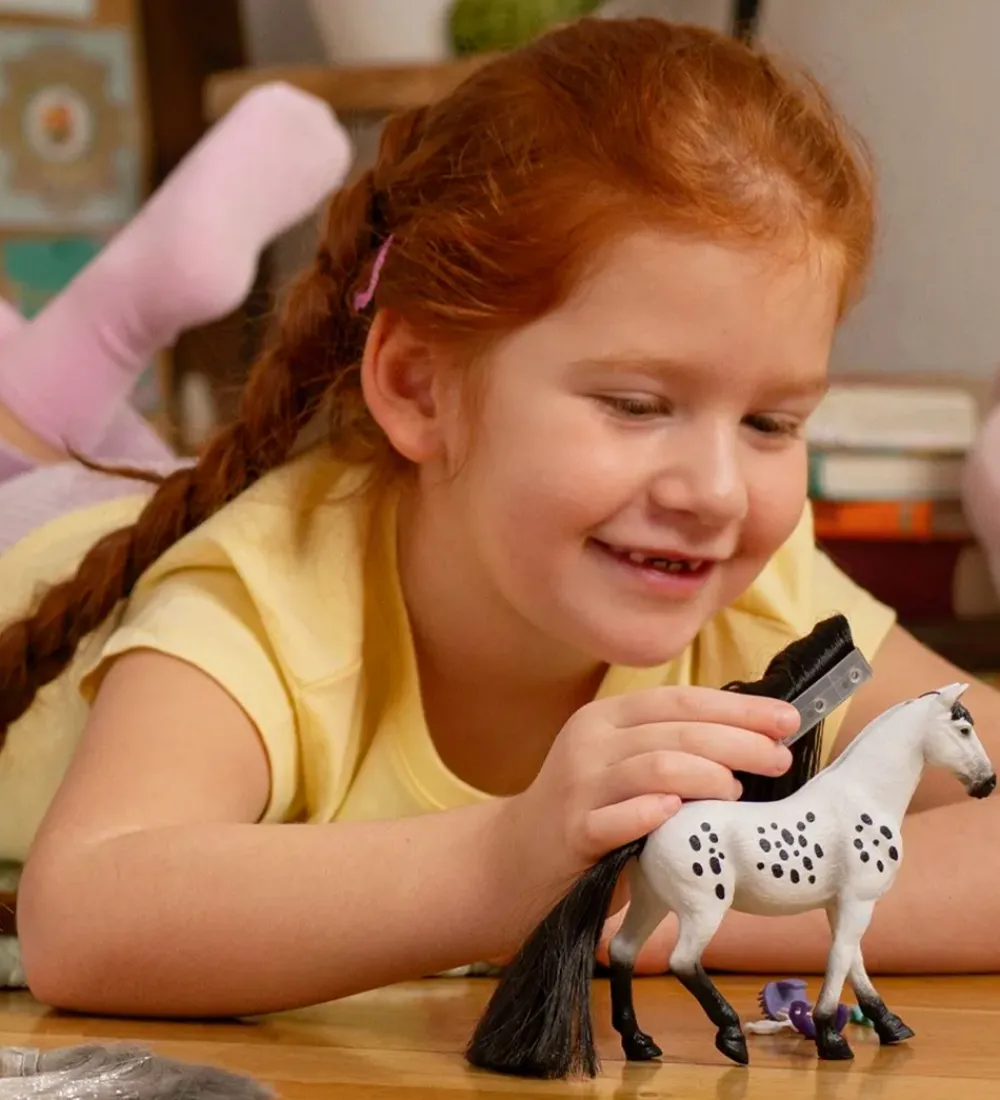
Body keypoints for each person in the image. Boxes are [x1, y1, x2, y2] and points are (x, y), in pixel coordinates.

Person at [1, 18, 998, 1022]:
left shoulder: (750, 583)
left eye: (770, 423)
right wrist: (504, 865)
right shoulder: (263, 591)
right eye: (636, 405)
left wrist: (650, 905)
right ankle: (111, 324)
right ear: (418, 386)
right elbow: (83, 919)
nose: (717, 491)